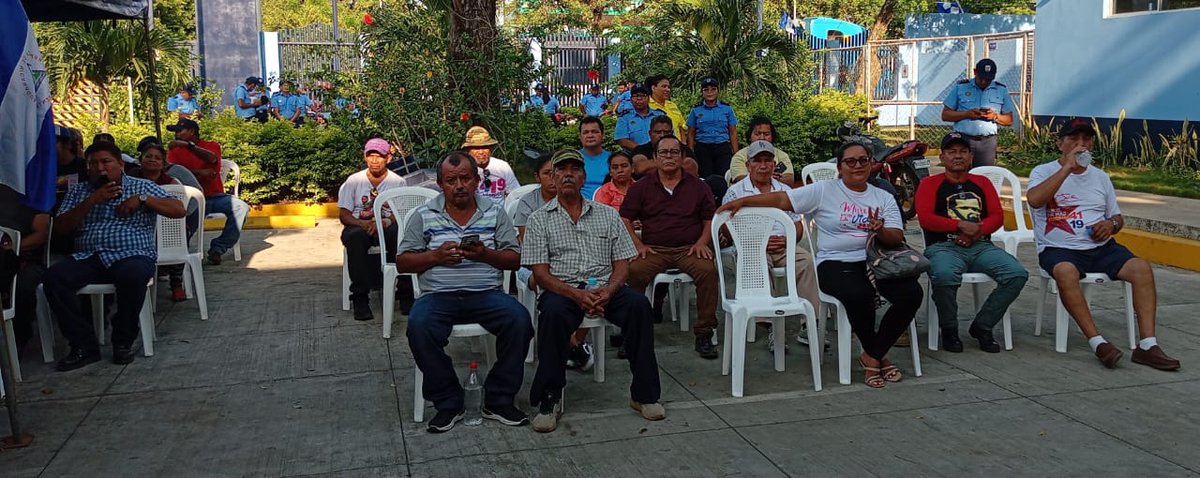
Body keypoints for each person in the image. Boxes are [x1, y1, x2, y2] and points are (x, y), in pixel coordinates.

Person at [717, 142, 923, 388]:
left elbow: (896, 237)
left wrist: (879, 230)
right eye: (850, 161)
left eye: (863, 160)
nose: (857, 165)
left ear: (870, 164)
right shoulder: (824, 190)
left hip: (877, 260)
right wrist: (745, 202)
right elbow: (783, 199)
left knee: (912, 294)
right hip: (836, 262)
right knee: (859, 295)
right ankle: (878, 356)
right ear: (839, 167)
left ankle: (874, 354)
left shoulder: (883, 196)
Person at [524, 149, 665, 432]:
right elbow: (540, 274)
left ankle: (644, 395)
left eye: (575, 169)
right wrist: (577, 295)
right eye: (561, 169)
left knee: (638, 307)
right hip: (563, 289)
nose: (568, 175)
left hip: (605, 287)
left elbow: (622, 263)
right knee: (551, 314)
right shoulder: (539, 219)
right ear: (552, 176)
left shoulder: (607, 215)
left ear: (583, 176)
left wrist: (609, 290)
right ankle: (550, 398)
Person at [1026, 118, 1179, 371]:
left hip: (1101, 247)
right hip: (1059, 248)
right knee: (1065, 271)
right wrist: (1067, 168)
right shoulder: (1043, 171)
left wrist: (1111, 225)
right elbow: (1034, 200)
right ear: (1060, 144)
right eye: (1074, 139)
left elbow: (1117, 217)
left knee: (1141, 268)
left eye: (1086, 139)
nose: (1081, 144)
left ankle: (1148, 346)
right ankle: (1098, 342)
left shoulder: (1100, 177)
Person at [396, 151, 533, 433]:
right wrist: (435, 257)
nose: (458, 185)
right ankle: (448, 401)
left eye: (465, 178)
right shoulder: (423, 214)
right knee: (418, 326)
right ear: (439, 183)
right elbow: (402, 261)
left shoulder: (495, 213)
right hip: (438, 296)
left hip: (486, 294)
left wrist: (484, 255)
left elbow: (515, 258)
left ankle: (499, 398)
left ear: (476, 180)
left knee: (519, 320)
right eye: (451, 180)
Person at [44, 142, 186, 371]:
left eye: (105, 162)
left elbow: (179, 210)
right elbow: (60, 229)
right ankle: (84, 346)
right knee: (54, 278)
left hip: (131, 253)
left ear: (120, 164)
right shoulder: (79, 191)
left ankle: (123, 341)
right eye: (93, 164)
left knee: (133, 275)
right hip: (88, 256)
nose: (100, 168)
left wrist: (143, 199)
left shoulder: (142, 186)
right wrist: (92, 200)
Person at [916, 132, 1028, 353]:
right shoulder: (930, 183)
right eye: (952, 151)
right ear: (942, 157)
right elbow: (926, 218)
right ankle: (949, 329)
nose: (957, 156)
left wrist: (976, 231)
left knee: (1016, 274)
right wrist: (959, 226)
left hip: (981, 245)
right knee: (945, 276)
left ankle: (983, 326)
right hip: (943, 247)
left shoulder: (982, 183)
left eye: (963, 151)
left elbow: (996, 215)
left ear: (970, 156)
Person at [620, 135, 720, 359]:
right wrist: (638, 245)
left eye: (674, 152)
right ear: (655, 157)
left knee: (708, 271)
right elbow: (625, 218)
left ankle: (704, 333)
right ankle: (631, 334)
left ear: (683, 157)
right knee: (632, 271)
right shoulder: (643, 186)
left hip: (689, 248)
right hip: (654, 249)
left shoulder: (698, 186)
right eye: (663, 152)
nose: (669, 157)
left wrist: (702, 243)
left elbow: (709, 218)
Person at [718, 141, 821, 348]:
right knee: (757, 264)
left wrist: (788, 239)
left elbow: (797, 224)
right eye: (758, 161)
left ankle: (810, 324)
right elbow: (726, 228)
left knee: (807, 262)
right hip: (751, 248)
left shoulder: (785, 190)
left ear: (775, 165)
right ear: (748, 165)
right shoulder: (736, 192)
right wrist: (757, 242)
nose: (763, 165)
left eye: (768, 161)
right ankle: (770, 324)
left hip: (784, 245)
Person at [338, 138, 406, 321]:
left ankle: (405, 292)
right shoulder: (353, 181)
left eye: (379, 157)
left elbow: (400, 213)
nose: (374, 160)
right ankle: (360, 298)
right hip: (360, 226)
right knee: (355, 238)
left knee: (400, 234)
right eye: (371, 156)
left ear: (388, 159)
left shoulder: (398, 182)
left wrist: (384, 222)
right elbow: (344, 214)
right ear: (365, 157)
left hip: (386, 226)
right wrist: (362, 224)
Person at [165, 118, 239, 265]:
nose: (176, 135)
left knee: (240, 207)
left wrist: (188, 146)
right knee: (184, 221)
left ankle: (218, 248)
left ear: (192, 132)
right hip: (192, 199)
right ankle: (177, 256)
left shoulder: (211, 145)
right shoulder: (174, 150)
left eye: (179, 131)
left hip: (214, 197)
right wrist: (200, 172)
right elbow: (172, 172)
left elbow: (212, 160)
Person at [133, 144, 190, 302]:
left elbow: (180, 208)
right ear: (140, 159)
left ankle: (176, 283)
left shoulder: (172, 182)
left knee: (181, 234)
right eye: (148, 156)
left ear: (163, 164)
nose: (152, 160)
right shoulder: (130, 179)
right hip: (139, 226)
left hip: (167, 227)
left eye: (157, 158)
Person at [0, 185, 50, 353]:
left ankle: (19, 338)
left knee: (23, 285)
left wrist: (12, 249)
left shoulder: (28, 193)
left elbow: (41, 234)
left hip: (26, 259)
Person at [940, 59, 1015, 168]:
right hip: (963, 140)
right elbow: (945, 115)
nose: (984, 82)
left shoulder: (1001, 90)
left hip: (987, 143)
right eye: (981, 78)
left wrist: (994, 116)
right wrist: (966, 114)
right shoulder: (961, 88)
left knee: (984, 176)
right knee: (960, 174)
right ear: (975, 72)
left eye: (988, 79)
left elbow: (1009, 119)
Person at [686, 77, 738, 179]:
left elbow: (732, 132)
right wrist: (691, 153)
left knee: (724, 177)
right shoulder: (696, 110)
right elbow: (691, 134)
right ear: (702, 92)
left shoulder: (727, 109)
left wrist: (736, 154)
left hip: (722, 148)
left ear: (718, 91)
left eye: (713, 89)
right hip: (703, 149)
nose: (710, 92)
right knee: (705, 178)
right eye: (706, 90)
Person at [461, 126, 521, 207]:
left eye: (484, 147)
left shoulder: (502, 167)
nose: (481, 152)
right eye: (476, 148)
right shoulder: (462, 169)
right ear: (467, 150)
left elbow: (515, 194)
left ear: (491, 149)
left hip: (499, 214)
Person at [728, 117, 795, 186]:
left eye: (766, 134)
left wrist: (767, 178)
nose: (762, 138)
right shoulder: (739, 156)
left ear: (772, 136)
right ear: (750, 136)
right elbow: (739, 180)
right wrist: (768, 177)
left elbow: (790, 180)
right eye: (757, 134)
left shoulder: (782, 155)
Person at [613, 82, 664, 152]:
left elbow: (669, 136)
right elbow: (622, 140)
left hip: (660, 156)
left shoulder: (660, 115)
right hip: (635, 157)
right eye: (635, 96)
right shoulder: (624, 118)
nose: (639, 98)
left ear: (648, 98)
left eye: (643, 95)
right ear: (630, 99)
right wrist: (642, 151)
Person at [577, 116, 611, 199]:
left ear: (603, 135)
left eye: (594, 132)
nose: (590, 135)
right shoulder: (573, 159)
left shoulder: (614, 160)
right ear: (580, 137)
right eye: (585, 132)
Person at [646, 75, 687, 140]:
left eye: (668, 87)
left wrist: (684, 146)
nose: (667, 89)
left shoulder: (672, 105)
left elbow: (681, 128)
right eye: (664, 86)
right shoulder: (646, 106)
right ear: (653, 88)